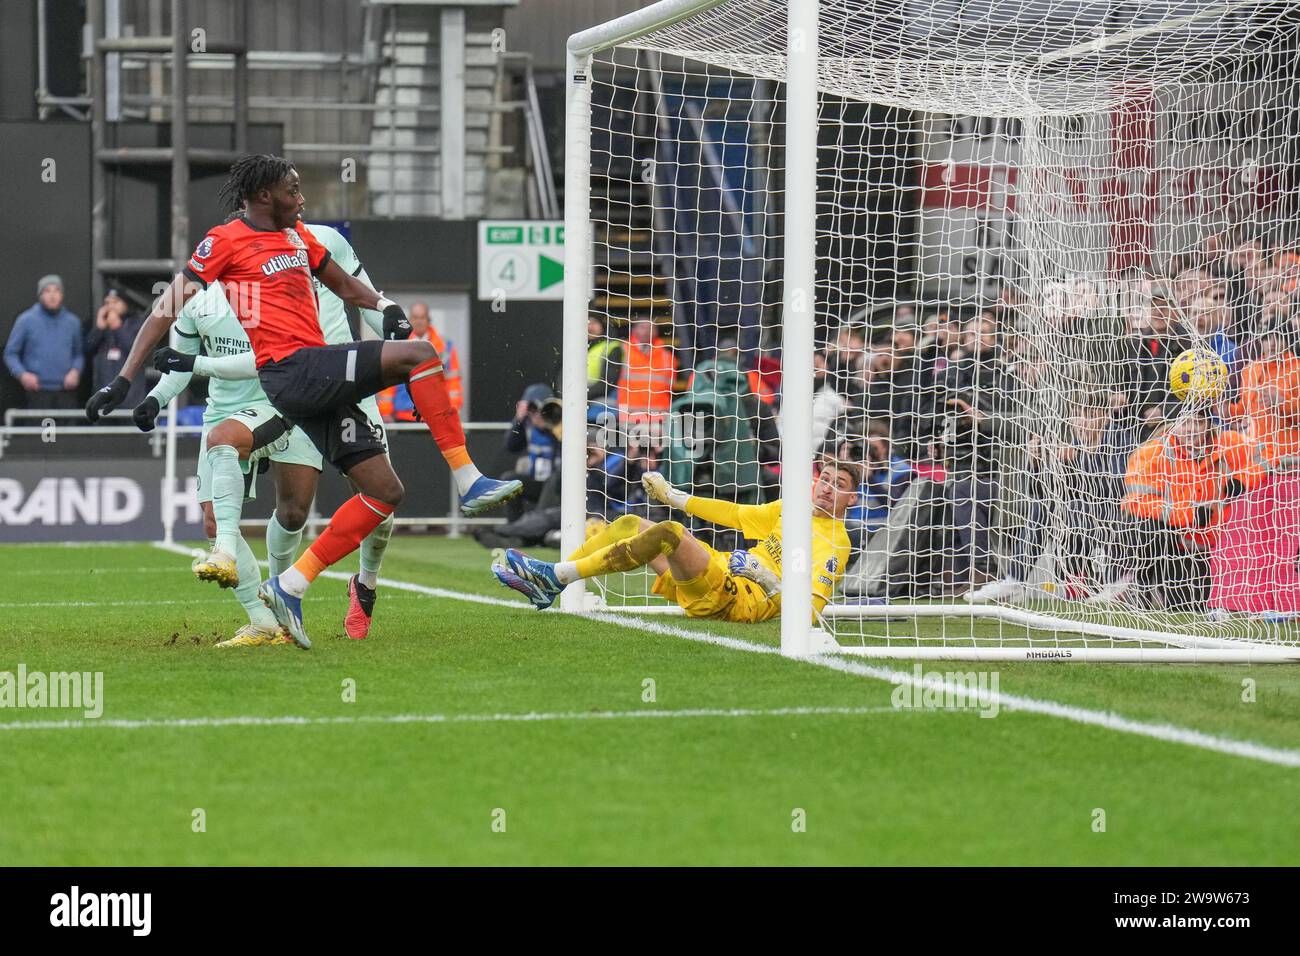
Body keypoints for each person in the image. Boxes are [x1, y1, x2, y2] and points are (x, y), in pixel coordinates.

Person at [85, 154, 521, 648]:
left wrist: (385, 306)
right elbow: (165, 309)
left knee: (384, 493)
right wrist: (124, 380)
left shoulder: (300, 236)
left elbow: (343, 284)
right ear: (264, 196)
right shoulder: (224, 240)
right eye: (293, 189)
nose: (302, 197)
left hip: (313, 378)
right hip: (293, 370)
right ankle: (468, 478)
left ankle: (289, 586)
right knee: (420, 355)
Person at [141, 220, 401, 644]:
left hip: (343, 379)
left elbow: (365, 295)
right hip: (285, 391)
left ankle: (365, 584)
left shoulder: (325, 241)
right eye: (288, 187)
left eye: (297, 187)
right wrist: (151, 396)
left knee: (376, 501)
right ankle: (273, 609)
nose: (296, 197)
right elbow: (198, 356)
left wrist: (394, 327)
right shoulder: (237, 276)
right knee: (247, 509)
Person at [493, 459, 859, 623]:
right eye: (824, 478)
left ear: (852, 500)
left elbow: (808, 613)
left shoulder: (836, 544)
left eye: (838, 485)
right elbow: (732, 513)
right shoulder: (791, 508)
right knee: (630, 523)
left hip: (742, 599)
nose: (826, 489)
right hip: (720, 569)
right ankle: (553, 581)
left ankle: (553, 578)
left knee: (668, 533)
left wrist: (768, 579)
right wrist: (673, 496)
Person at [5, 275, 84, 409]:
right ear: (40, 295)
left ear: (62, 294)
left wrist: (75, 371)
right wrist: (23, 375)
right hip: (36, 392)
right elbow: (10, 354)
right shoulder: (25, 320)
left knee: (67, 430)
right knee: (39, 430)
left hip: (66, 392)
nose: (52, 296)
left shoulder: (73, 322)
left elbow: (79, 354)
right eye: (47, 291)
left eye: (56, 291)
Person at [377, 301, 463, 421]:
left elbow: (453, 381)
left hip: (436, 415)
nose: (418, 321)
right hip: (403, 415)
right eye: (415, 317)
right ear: (409, 320)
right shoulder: (398, 345)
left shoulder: (445, 347)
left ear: (428, 319)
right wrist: (385, 411)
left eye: (422, 317)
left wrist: (453, 409)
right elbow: (390, 379)